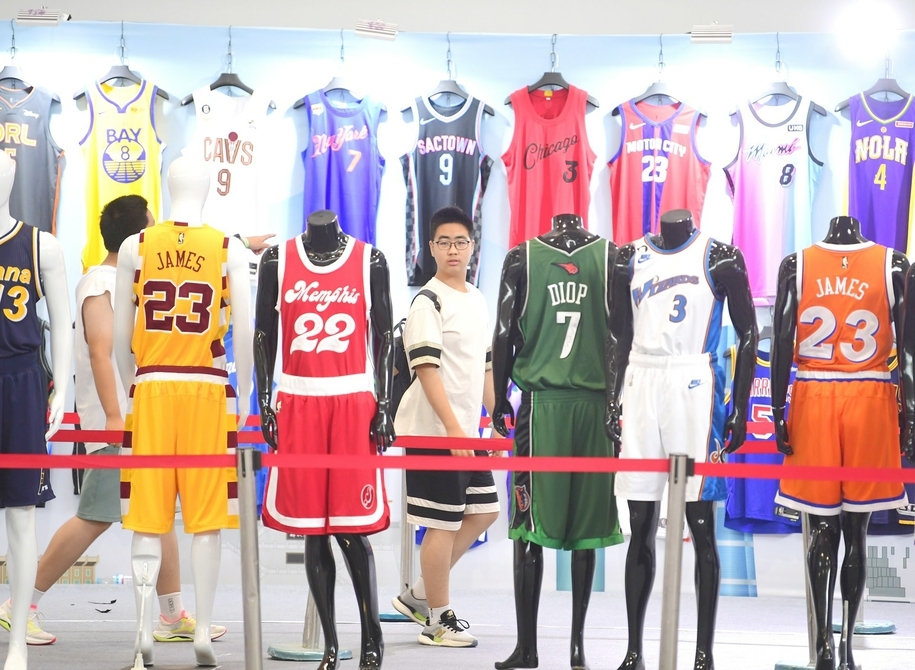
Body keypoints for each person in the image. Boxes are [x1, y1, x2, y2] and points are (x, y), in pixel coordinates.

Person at [0, 195, 272, 646]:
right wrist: (115, 418)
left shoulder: (128, 276)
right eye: (152, 225)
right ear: (138, 236)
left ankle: (171, 613)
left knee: (156, 513)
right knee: (95, 516)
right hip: (120, 422)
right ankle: (20, 603)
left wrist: (240, 243)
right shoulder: (100, 283)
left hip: (146, 415)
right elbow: (102, 352)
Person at [392, 206, 501, 648]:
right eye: (444, 242)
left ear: (472, 247)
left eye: (460, 242)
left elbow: (485, 368)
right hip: (433, 431)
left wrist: (497, 420)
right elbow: (427, 371)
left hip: (465, 433)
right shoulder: (427, 301)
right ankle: (437, 620)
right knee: (442, 524)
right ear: (431, 248)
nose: (453, 249)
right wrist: (454, 429)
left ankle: (419, 594)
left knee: (484, 511)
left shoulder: (476, 298)